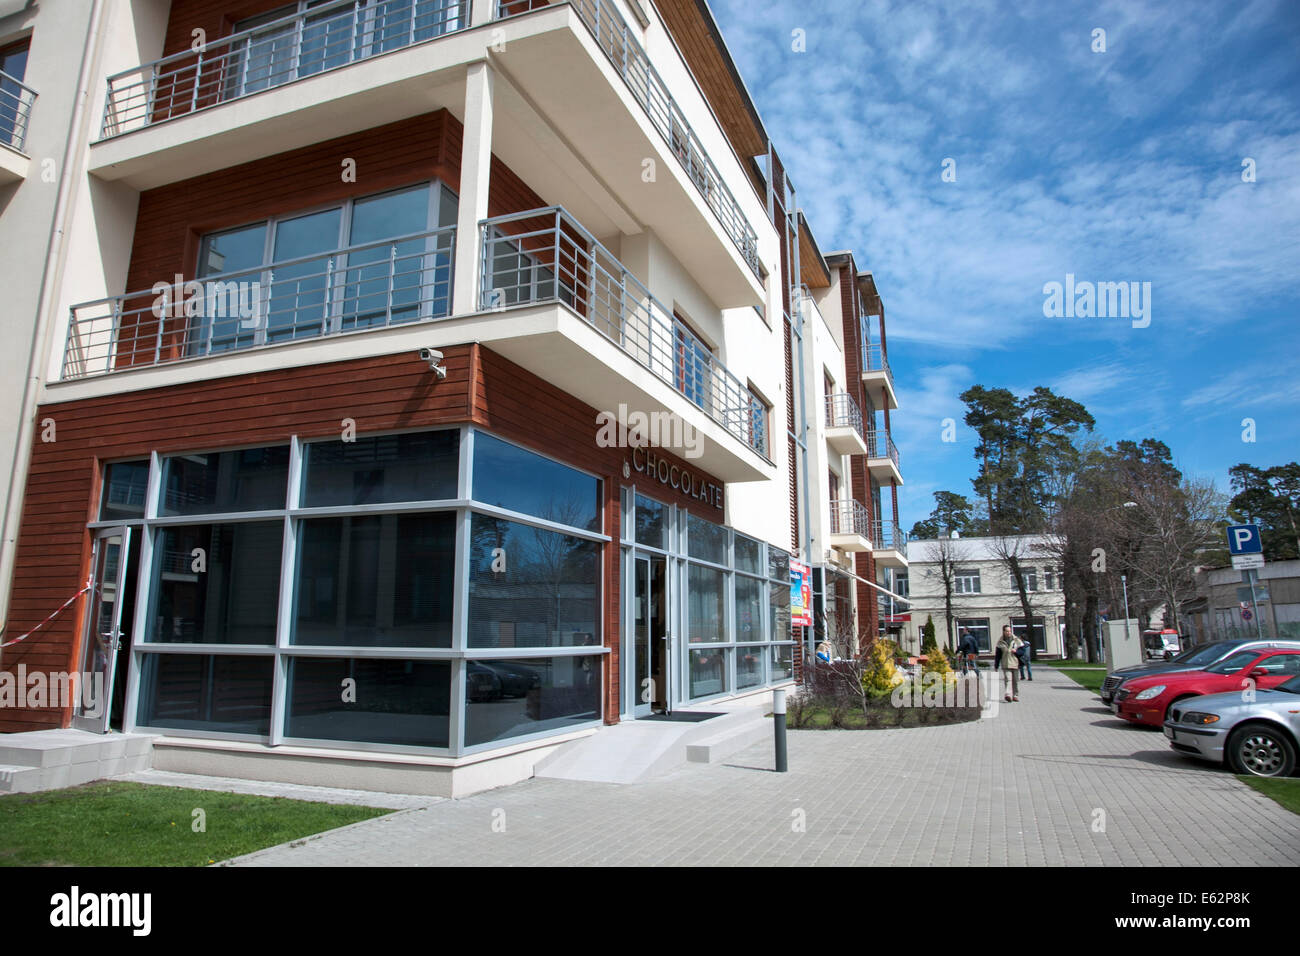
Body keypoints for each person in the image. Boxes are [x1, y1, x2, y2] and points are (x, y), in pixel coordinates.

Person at [995, 625, 1025, 702]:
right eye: (1007, 631)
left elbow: (1022, 651)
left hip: (1015, 663)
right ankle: (1008, 694)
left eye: (1010, 631)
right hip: (1006, 663)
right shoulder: (1000, 642)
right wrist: (996, 665)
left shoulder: (1016, 640)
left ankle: (1015, 695)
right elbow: (998, 655)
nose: (1009, 633)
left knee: (1015, 680)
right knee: (1008, 679)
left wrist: (1017, 652)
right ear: (1004, 632)